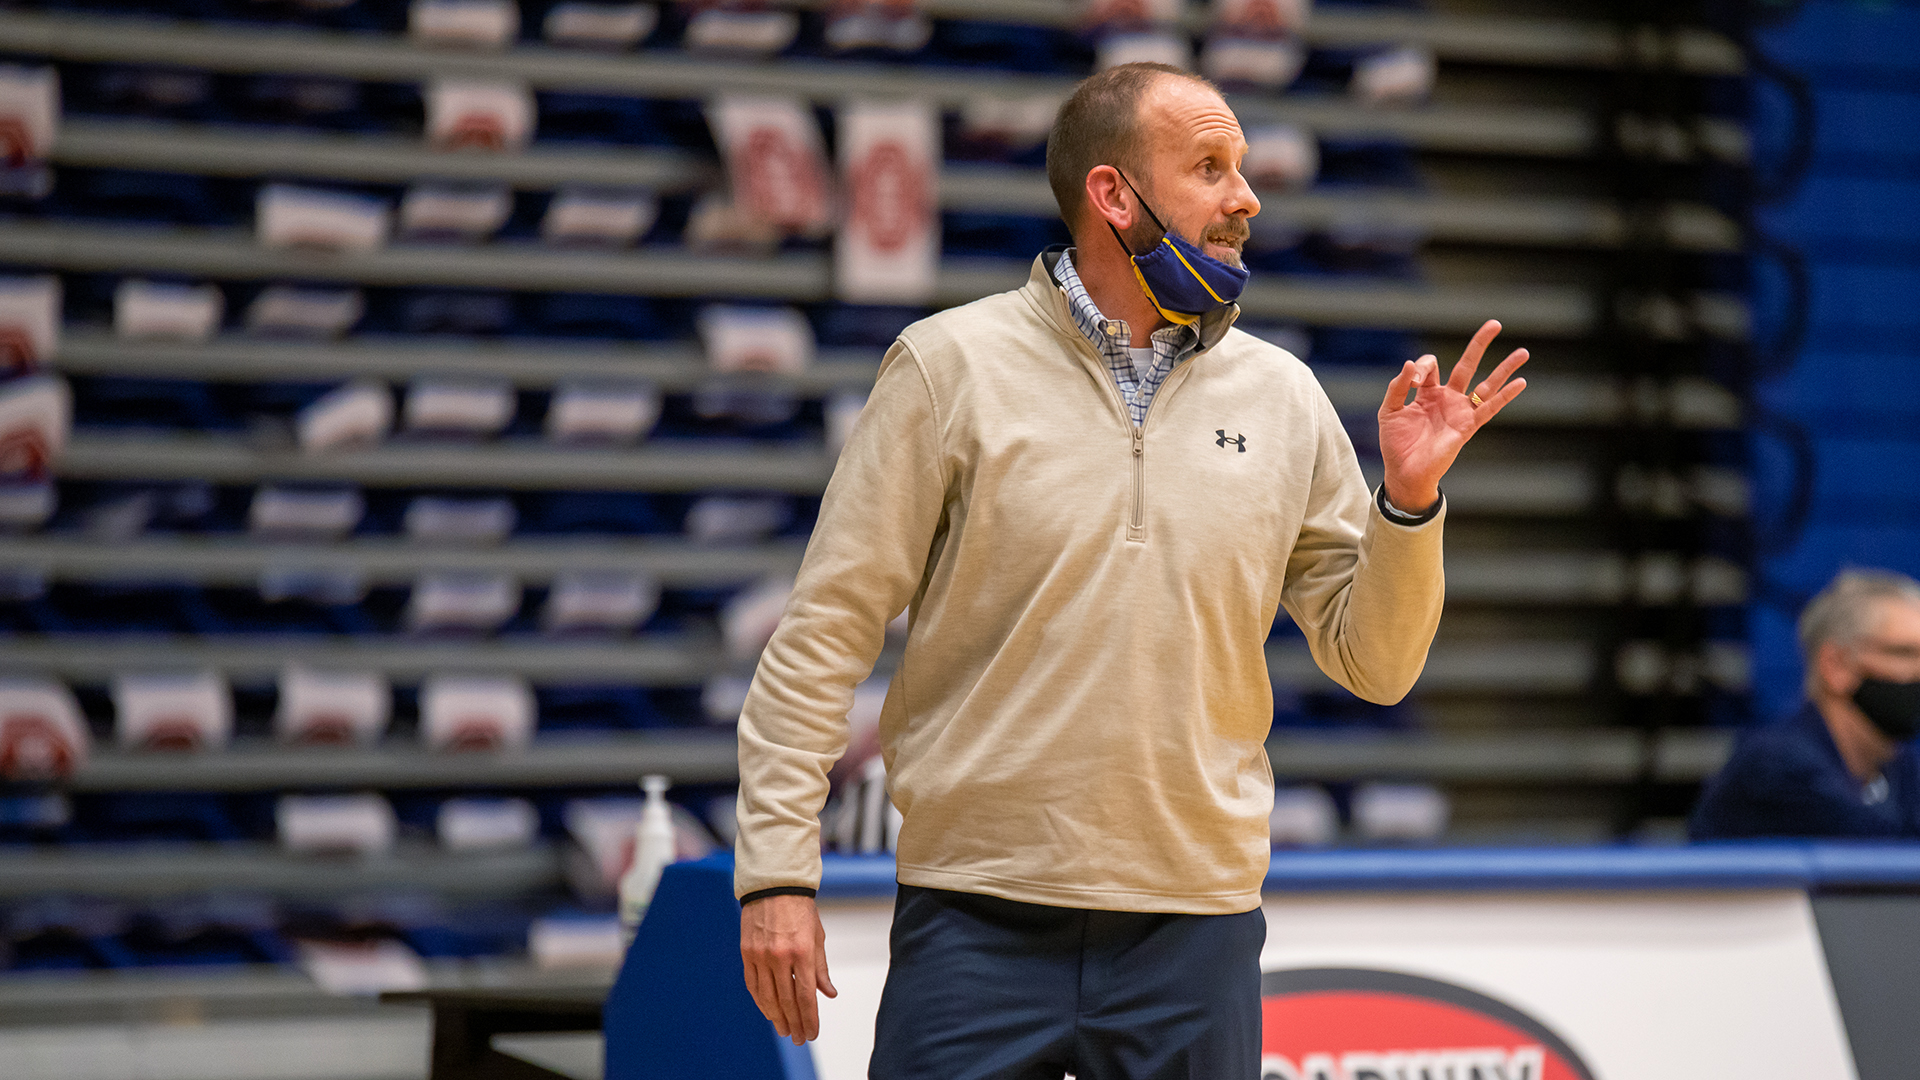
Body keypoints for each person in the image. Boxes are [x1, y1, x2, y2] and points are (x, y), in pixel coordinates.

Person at [733, 62, 1529, 1079]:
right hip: (976, 917)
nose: (1246, 197)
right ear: (1115, 196)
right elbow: (822, 634)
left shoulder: (1284, 398)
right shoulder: (948, 368)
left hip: (1192, 931)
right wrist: (774, 876)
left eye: (1241, 166)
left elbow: (1375, 665)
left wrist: (1408, 505)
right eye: (1209, 166)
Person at [1691, 569, 1920, 840]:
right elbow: (1877, 850)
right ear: (1836, 666)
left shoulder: (1900, 768)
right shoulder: (1776, 766)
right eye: (1905, 653)